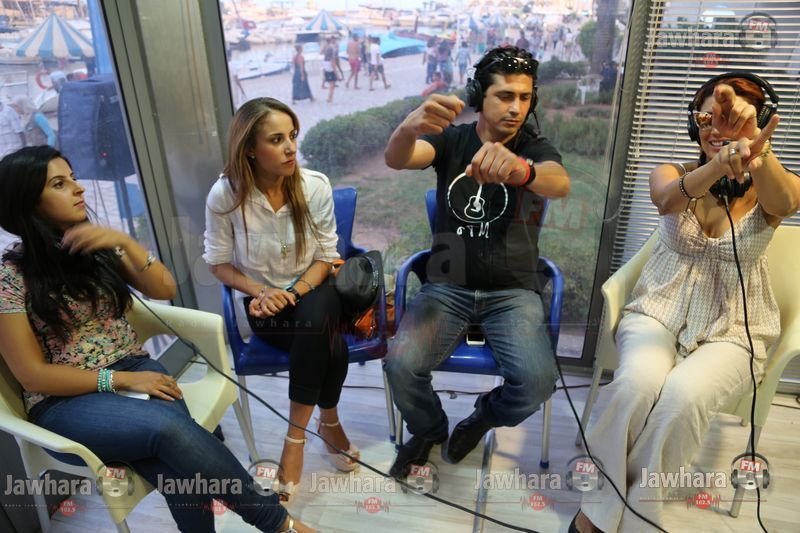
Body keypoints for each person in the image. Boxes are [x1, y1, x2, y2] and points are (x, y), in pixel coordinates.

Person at [0, 145, 311, 533]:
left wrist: (124, 243)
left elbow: (163, 288)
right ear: (27, 203)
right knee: (171, 431)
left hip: (134, 367)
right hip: (66, 401)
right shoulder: (10, 279)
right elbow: (32, 375)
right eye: (59, 184)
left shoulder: (94, 246)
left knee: (176, 460)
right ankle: (280, 524)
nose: (79, 188)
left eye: (73, 177)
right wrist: (122, 380)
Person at [571, 74, 800, 533]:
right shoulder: (671, 172)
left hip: (735, 328)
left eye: (733, 119)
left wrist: (755, 150)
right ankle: (598, 513)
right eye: (707, 117)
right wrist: (718, 164)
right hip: (659, 310)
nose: (718, 126)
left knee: (681, 398)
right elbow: (665, 200)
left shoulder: (770, 185)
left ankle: (627, 518)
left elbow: (789, 202)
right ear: (694, 123)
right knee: (635, 385)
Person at [383, 46, 570, 479]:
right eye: (505, 96)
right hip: (447, 287)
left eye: (524, 97)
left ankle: (483, 417)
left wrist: (522, 170)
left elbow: (559, 183)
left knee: (537, 382)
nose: (516, 107)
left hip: (512, 292)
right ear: (478, 96)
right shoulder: (453, 141)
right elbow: (398, 159)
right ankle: (429, 428)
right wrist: (408, 128)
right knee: (401, 365)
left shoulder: (534, 147)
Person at [204, 97, 359, 504]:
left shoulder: (313, 186)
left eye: (292, 136)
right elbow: (217, 264)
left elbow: (327, 258)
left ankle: (294, 440)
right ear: (249, 148)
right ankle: (328, 422)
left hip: (313, 290)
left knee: (318, 314)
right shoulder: (225, 196)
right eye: (277, 140)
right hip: (265, 309)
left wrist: (291, 293)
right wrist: (261, 292)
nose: (291, 147)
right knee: (331, 345)